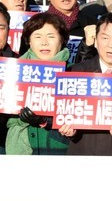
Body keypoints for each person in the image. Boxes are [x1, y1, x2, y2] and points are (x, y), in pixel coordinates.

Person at [61, 13, 112, 156]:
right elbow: (65, 116)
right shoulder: (76, 73)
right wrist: (70, 132)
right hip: (83, 154)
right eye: (105, 38)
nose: (110, 45)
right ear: (95, 41)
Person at [4, 14, 72, 155]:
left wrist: (45, 120)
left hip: (59, 150)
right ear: (28, 41)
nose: (44, 42)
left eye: (51, 36)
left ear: (62, 40)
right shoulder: (11, 72)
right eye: (38, 36)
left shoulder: (73, 73)